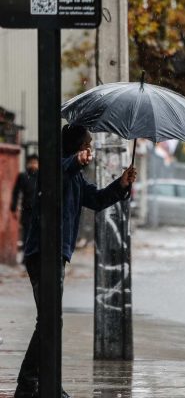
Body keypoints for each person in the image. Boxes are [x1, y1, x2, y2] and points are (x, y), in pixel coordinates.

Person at [14, 124, 137, 398]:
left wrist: (121, 184)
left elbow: (96, 199)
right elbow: (60, 170)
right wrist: (74, 161)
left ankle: (38, 384)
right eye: (88, 145)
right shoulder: (55, 168)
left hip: (56, 255)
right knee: (49, 321)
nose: (90, 149)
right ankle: (32, 384)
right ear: (77, 148)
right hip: (43, 254)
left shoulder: (77, 179)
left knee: (50, 320)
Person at [10, 154, 39, 248]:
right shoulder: (23, 176)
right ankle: (26, 255)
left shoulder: (41, 177)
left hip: (39, 210)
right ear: (27, 164)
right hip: (26, 209)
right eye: (31, 163)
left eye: (35, 163)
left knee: (37, 233)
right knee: (27, 232)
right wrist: (14, 208)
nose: (33, 165)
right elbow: (16, 192)